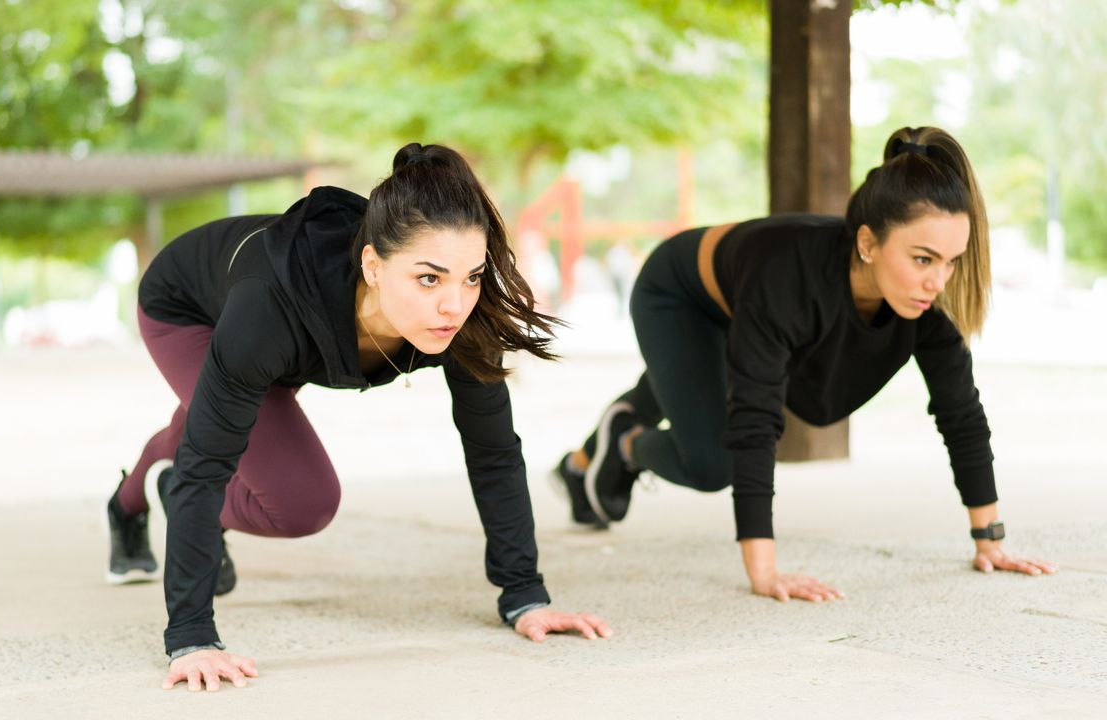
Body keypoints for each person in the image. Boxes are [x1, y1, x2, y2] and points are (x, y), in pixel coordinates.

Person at [105, 143, 612, 692]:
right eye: (428, 278)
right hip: (189, 308)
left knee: (220, 417)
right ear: (373, 265)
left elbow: (493, 450)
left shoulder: (463, 317)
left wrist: (525, 596)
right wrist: (192, 637)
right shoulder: (266, 315)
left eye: (471, 276)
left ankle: (151, 488)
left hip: (282, 332)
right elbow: (208, 464)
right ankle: (163, 486)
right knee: (298, 503)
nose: (454, 304)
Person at [554, 126, 1057, 601]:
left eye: (952, 261)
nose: (938, 281)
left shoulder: (925, 305)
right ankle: (623, 442)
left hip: (749, 308)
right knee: (712, 463)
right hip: (682, 295)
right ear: (867, 243)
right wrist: (764, 569)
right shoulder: (790, 282)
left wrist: (989, 539)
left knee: (709, 380)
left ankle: (585, 463)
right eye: (923, 259)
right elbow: (756, 420)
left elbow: (961, 414)